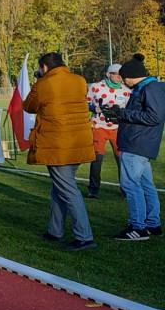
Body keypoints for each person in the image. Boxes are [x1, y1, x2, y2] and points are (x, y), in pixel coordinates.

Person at [23, 52, 97, 251]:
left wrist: (38, 81)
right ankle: (55, 231)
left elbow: (29, 106)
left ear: (44, 67)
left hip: (57, 144)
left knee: (68, 190)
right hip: (79, 141)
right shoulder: (80, 80)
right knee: (60, 187)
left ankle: (85, 237)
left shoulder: (43, 84)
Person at [101, 53, 164, 240]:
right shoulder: (148, 87)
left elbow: (154, 117)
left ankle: (138, 227)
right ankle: (152, 224)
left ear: (130, 76)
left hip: (136, 144)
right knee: (146, 185)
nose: (122, 81)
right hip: (141, 143)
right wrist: (120, 115)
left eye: (123, 77)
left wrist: (124, 114)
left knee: (131, 185)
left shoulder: (150, 89)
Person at [85, 64, 128, 199]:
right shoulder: (95, 87)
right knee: (97, 158)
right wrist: (93, 108)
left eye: (121, 74)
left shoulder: (126, 89)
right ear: (108, 74)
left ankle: (126, 189)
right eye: (116, 74)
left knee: (122, 159)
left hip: (118, 128)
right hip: (99, 126)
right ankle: (93, 189)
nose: (120, 76)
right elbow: (84, 103)